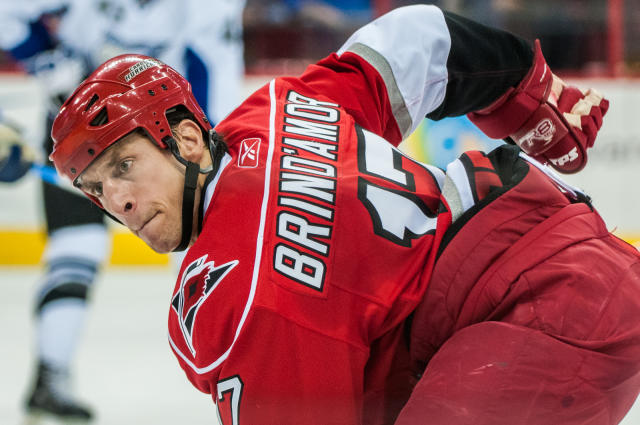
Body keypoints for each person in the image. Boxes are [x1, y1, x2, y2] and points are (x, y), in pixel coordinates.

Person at [49, 4, 640, 425]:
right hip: (555, 267)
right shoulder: (274, 111)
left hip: (533, 316)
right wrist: (522, 88)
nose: (117, 203)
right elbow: (416, 39)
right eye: (97, 189)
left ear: (187, 139)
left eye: (124, 165)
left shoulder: (233, 290)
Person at [0, 0, 245, 422]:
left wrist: (207, 155)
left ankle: (240, 369)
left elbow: (213, 66)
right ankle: (50, 377)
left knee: (203, 257)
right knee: (79, 245)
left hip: (157, 137)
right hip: (76, 133)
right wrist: (44, 56)